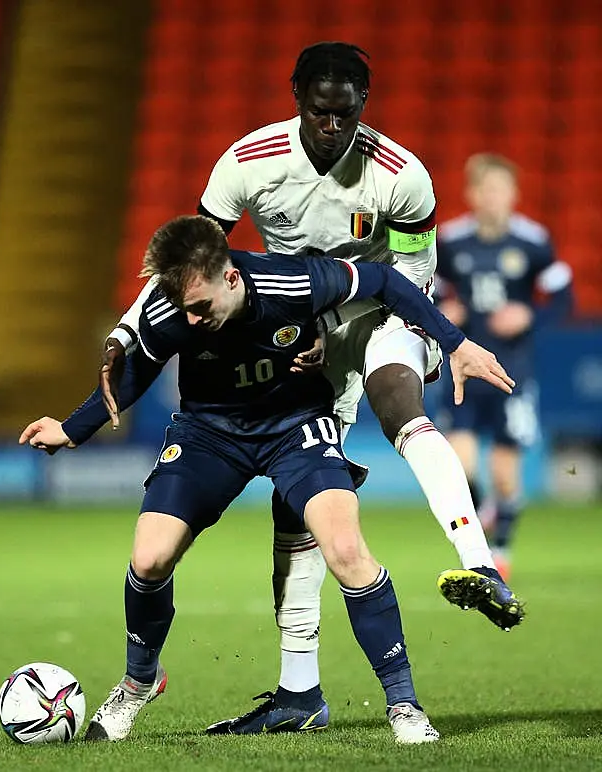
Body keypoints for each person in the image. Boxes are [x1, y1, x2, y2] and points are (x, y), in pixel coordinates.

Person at [102, 42, 522, 733]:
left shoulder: (403, 176)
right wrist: (125, 330)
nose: (332, 126)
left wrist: (424, 337)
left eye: (346, 114)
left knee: (398, 400)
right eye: (319, 112)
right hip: (295, 323)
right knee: (300, 504)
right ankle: (300, 694)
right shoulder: (247, 163)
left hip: (380, 309)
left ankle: (481, 563)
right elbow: (189, 264)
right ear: (297, 99)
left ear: (364, 105)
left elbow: (410, 280)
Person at [20, 216, 517, 744]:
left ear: (230, 278)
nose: (189, 322)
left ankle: (405, 707)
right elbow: (139, 366)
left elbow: (387, 282)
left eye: (200, 308)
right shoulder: (170, 307)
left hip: (296, 427)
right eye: (183, 311)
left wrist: (455, 342)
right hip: (209, 431)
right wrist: (73, 430)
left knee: (347, 550)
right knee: (149, 558)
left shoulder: (295, 281)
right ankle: (138, 682)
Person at [436, 153, 572, 580]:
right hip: (464, 368)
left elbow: (564, 296)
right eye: (485, 189)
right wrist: (445, 311)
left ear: (513, 194)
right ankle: (482, 516)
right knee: (461, 465)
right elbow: (428, 290)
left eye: (501, 189)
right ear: (472, 193)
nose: (493, 198)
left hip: (511, 370)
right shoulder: (451, 240)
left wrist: (530, 315)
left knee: (505, 474)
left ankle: (501, 548)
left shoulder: (533, 242)